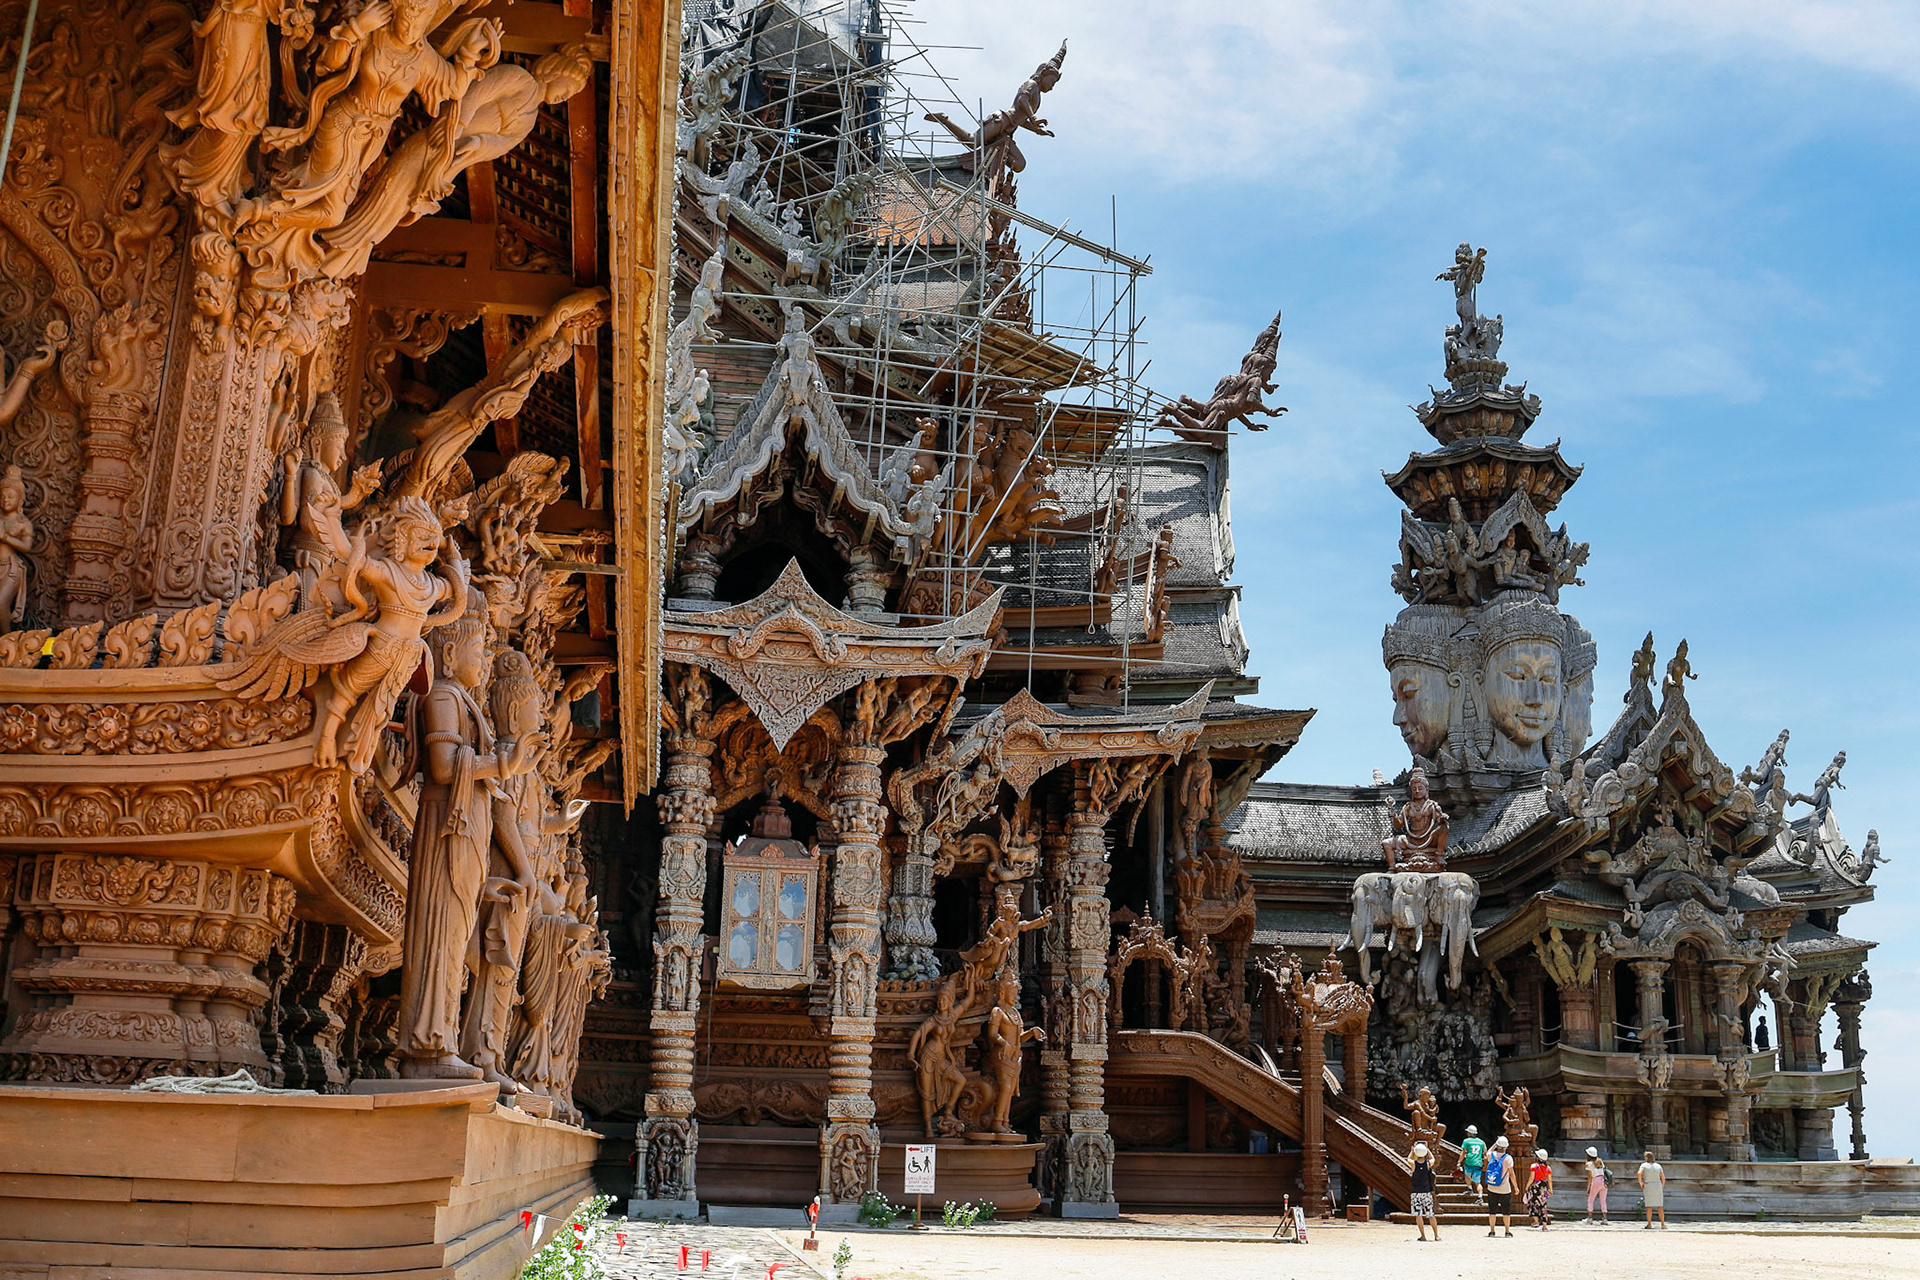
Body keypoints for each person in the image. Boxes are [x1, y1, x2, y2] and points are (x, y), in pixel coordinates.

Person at [1409, 1142, 1440, 1241]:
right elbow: (1433, 1159)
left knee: (1418, 1215)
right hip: (1426, 1192)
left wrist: (1412, 1150)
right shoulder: (1428, 1164)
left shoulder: (1414, 1164)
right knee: (1431, 1215)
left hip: (1416, 1192)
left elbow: (1408, 1159)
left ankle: (1423, 1235)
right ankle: (1436, 1236)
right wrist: (1427, 1149)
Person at [1484, 1136, 1515, 1237]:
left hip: (1491, 1187)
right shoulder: (1508, 1158)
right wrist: (1516, 1187)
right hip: (1505, 1188)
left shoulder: (1491, 1156)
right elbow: (1511, 1174)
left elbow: (1487, 1152)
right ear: (1506, 1147)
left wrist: (1495, 1145)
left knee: (1492, 1211)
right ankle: (1507, 1231)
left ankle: (1492, 1231)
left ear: (1497, 1145)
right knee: (1506, 1211)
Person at [1525, 1150, 1554, 1229]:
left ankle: (1536, 1221)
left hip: (1535, 1186)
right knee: (1543, 1205)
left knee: (1533, 1203)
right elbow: (1549, 1180)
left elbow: (1531, 1178)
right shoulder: (1548, 1168)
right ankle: (1544, 1225)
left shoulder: (1533, 1166)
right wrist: (1551, 1189)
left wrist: (1527, 1185)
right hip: (1544, 1187)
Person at [1638, 1151, 1666, 1228]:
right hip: (1657, 1184)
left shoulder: (1644, 1165)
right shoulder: (1658, 1166)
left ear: (1647, 1158)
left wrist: (1641, 1182)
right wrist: (1662, 1185)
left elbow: (1639, 1173)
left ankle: (1649, 1223)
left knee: (1649, 1206)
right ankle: (1663, 1224)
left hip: (1649, 1184)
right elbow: (1663, 1177)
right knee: (1660, 1206)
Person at [1460, 1124, 1487, 1203]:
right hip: (1478, 1163)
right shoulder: (1482, 1142)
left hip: (1469, 1162)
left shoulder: (1466, 1141)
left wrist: (1459, 1162)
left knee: (1467, 1176)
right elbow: (1485, 1154)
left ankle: (1470, 1189)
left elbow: (1463, 1152)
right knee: (1477, 1182)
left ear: (1469, 1133)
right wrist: (1485, 1165)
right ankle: (1480, 1196)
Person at [1582, 1147, 1609, 1223]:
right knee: (1603, 1201)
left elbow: (1589, 1177)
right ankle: (1605, 1218)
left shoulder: (1589, 1164)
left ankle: (1590, 1218)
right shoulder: (1600, 1162)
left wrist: (1588, 1188)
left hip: (1595, 1181)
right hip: (1604, 1181)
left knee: (1590, 1200)